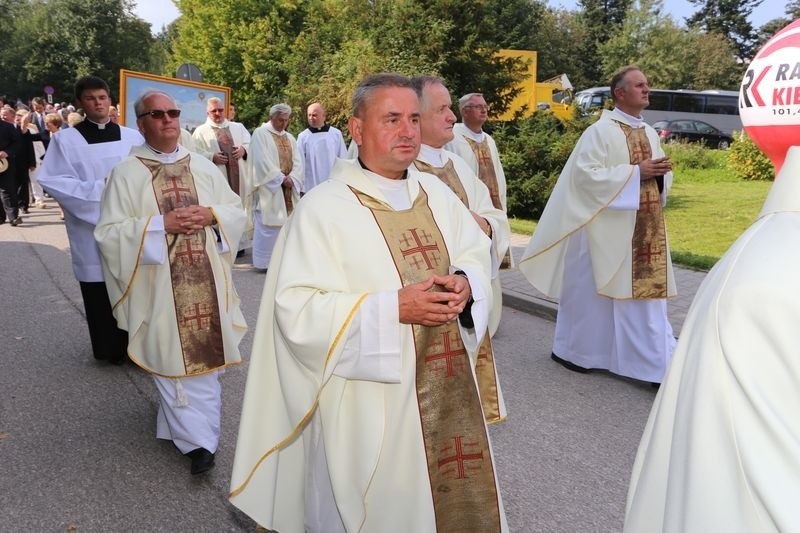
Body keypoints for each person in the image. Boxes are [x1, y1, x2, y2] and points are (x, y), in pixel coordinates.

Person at [229, 73, 508, 532]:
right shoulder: (324, 209)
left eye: (414, 119)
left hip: (449, 391)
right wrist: (390, 309)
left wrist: (466, 283)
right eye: (392, 119)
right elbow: (295, 309)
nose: (408, 131)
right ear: (357, 130)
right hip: (366, 405)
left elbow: (474, 252)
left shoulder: (435, 193)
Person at [94, 91, 248, 475]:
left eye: (173, 112)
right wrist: (162, 225)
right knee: (170, 355)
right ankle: (196, 442)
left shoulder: (201, 165)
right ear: (141, 122)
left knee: (206, 360)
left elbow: (235, 209)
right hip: (159, 283)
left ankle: (196, 435)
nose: (167, 120)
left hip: (206, 279)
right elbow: (109, 234)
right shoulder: (126, 173)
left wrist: (211, 213)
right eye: (156, 114)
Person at [519, 65, 676, 384]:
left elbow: (658, 172)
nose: (647, 90)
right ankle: (579, 353)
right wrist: (635, 174)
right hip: (599, 230)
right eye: (639, 85)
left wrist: (659, 175)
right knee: (591, 299)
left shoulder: (648, 133)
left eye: (647, 85)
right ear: (620, 93)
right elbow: (584, 177)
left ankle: (650, 364)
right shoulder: (599, 132)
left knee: (639, 302)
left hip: (642, 228)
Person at [411, 75, 510, 423]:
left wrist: (483, 225)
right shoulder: (401, 170)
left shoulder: (458, 166)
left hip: (463, 293)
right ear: (415, 116)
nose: (452, 117)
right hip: (425, 302)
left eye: (451, 108)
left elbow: (493, 217)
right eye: (442, 109)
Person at [37, 75, 144, 364]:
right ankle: (110, 349)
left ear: (110, 101)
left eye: (102, 97)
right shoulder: (65, 140)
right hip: (91, 227)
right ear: (80, 103)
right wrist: (102, 189)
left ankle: (140, 349)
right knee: (100, 290)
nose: (98, 103)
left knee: (135, 286)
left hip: (130, 225)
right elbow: (53, 180)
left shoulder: (133, 137)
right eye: (90, 98)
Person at [445, 92, 512, 280]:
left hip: (491, 205)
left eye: (485, 106)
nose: (484, 110)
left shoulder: (489, 140)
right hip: (470, 208)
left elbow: (498, 175)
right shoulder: (453, 138)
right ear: (465, 111)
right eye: (478, 106)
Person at [249, 103, 303, 271]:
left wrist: (293, 178)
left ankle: (282, 262)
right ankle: (264, 264)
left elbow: (299, 162)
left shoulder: (290, 138)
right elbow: (260, 161)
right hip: (270, 189)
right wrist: (280, 178)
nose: (283, 124)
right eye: (280, 120)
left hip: (287, 188)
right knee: (268, 227)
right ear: (271, 118)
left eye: (286, 120)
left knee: (287, 224)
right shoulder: (260, 134)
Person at [192, 97, 250, 199]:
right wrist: (211, 157)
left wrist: (244, 150)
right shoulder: (200, 132)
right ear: (208, 113)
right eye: (214, 111)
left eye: (220, 110)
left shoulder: (238, 127)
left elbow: (251, 144)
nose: (218, 113)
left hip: (241, 178)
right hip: (216, 179)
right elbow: (194, 154)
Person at [296, 102, 347, 191]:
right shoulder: (303, 137)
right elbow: (299, 163)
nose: (311, 118)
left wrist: (344, 181)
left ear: (323, 116)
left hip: (334, 183)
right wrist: (302, 187)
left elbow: (343, 158)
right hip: (311, 185)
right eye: (309, 115)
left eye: (314, 115)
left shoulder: (335, 134)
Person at [0, 106, 21, 226]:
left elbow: (18, 143)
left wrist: (6, 152)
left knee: (7, 190)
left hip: (5, 163)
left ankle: (13, 217)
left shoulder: (7, 127)